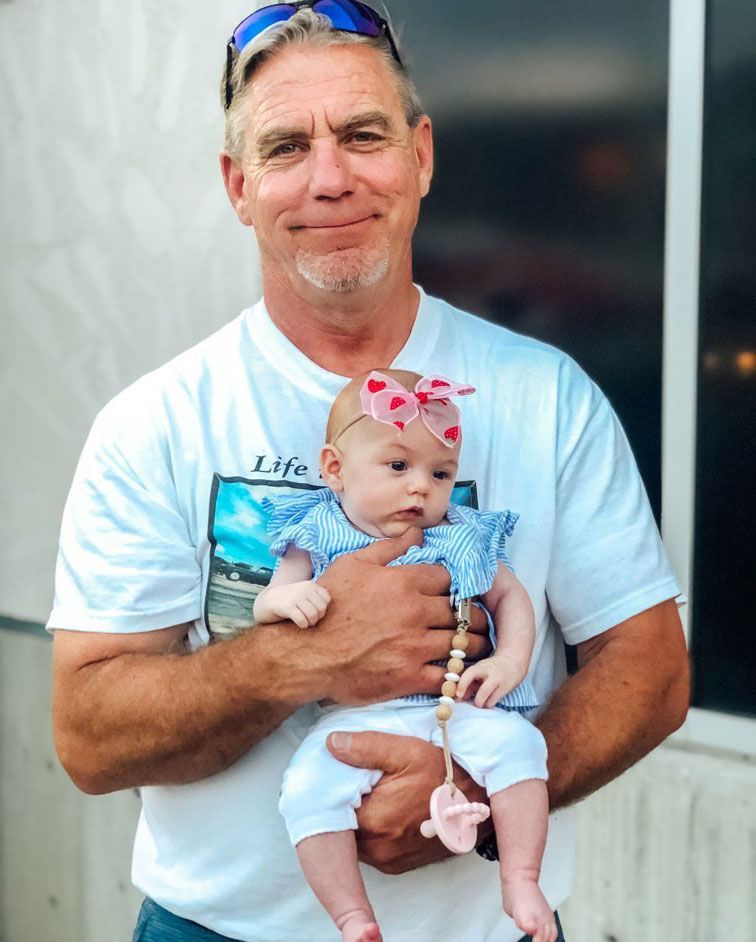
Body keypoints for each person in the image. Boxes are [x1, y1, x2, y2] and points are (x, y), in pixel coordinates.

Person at [49, 4, 690, 941]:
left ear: (421, 157)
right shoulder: (156, 422)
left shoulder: (547, 397)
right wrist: (306, 655)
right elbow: (88, 736)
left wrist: (467, 789)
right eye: (285, 147)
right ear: (238, 185)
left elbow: (652, 669)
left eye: (363, 135)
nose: (331, 177)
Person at [254, 368, 554, 942]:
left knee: (519, 745)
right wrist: (290, 598)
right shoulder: (314, 530)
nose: (421, 487)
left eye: (440, 473)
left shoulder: (460, 534)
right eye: (398, 466)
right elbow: (268, 602)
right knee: (308, 789)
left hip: (453, 706)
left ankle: (520, 877)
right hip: (353, 717)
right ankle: (351, 916)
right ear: (335, 469)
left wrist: (510, 662)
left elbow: (510, 597)